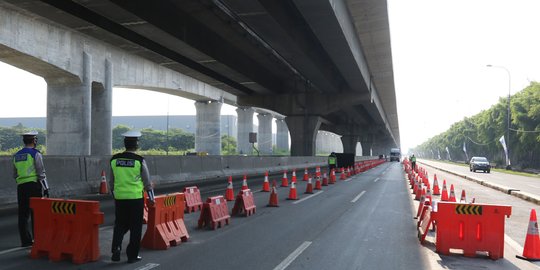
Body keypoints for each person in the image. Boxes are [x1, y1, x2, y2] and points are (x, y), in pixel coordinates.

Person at [110, 131, 155, 263]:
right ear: (136, 146)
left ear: (125, 144)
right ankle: (132, 255)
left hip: (120, 198)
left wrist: (115, 196)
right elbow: (147, 183)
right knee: (135, 227)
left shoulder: (114, 160)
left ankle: (116, 248)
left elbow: (111, 182)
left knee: (119, 224)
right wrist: (152, 198)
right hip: (135, 198)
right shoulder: (139, 161)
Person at [12, 131, 49, 247]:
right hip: (33, 186)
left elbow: (14, 174)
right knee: (36, 213)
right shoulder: (35, 154)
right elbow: (41, 172)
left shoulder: (16, 155)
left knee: (23, 214)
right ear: (34, 141)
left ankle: (25, 241)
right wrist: (46, 188)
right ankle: (38, 239)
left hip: (21, 187)